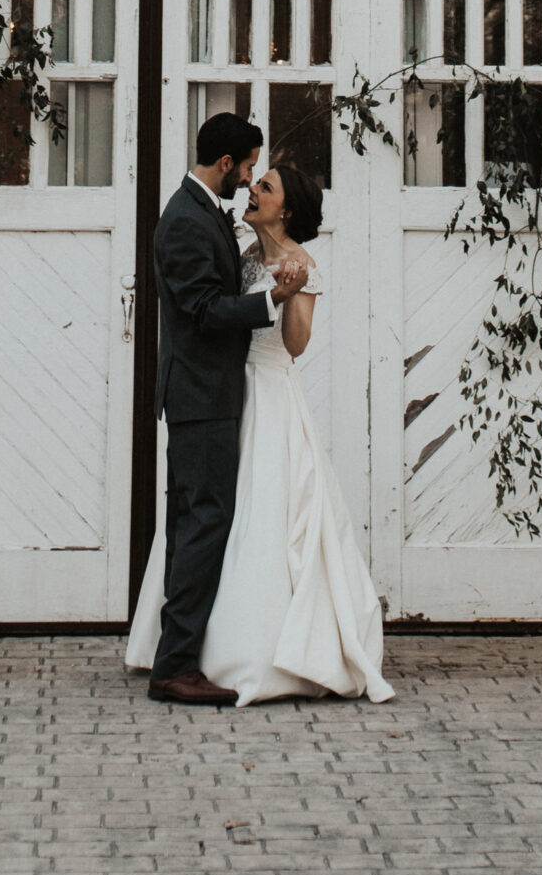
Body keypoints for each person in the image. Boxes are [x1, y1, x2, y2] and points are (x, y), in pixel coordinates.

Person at [129, 148, 394, 707]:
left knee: (261, 518)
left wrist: (292, 294)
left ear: (286, 211)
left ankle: (252, 647)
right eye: (256, 181)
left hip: (269, 393)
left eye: (265, 188)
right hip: (226, 391)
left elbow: (295, 345)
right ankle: (187, 646)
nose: (253, 191)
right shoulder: (244, 253)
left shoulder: (302, 262)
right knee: (209, 514)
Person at [136, 114, 306, 705]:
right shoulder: (185, 221)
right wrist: (271, 299)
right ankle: (175, 667)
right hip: (201, 396)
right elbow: (206, 311)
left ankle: (176, 653)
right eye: (251, 164)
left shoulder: (201, 212)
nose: (253, 176)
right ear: (228, 162)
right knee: (203, 524)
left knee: (191, 525)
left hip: (200, 395)